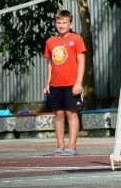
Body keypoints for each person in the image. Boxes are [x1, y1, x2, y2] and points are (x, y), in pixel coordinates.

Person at [43, 9, 86, 156]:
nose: (61, 25)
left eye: (64, 22)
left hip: (71, 84)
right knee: (59, 115)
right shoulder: (50, 42)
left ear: (70, 24)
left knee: (71, 114)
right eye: (58, 22)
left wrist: (78, 82)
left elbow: (81, 61)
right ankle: (60, 146)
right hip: (55, 85)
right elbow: (50, 64)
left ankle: (72, 146)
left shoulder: (77, 39)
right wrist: (48, 82)